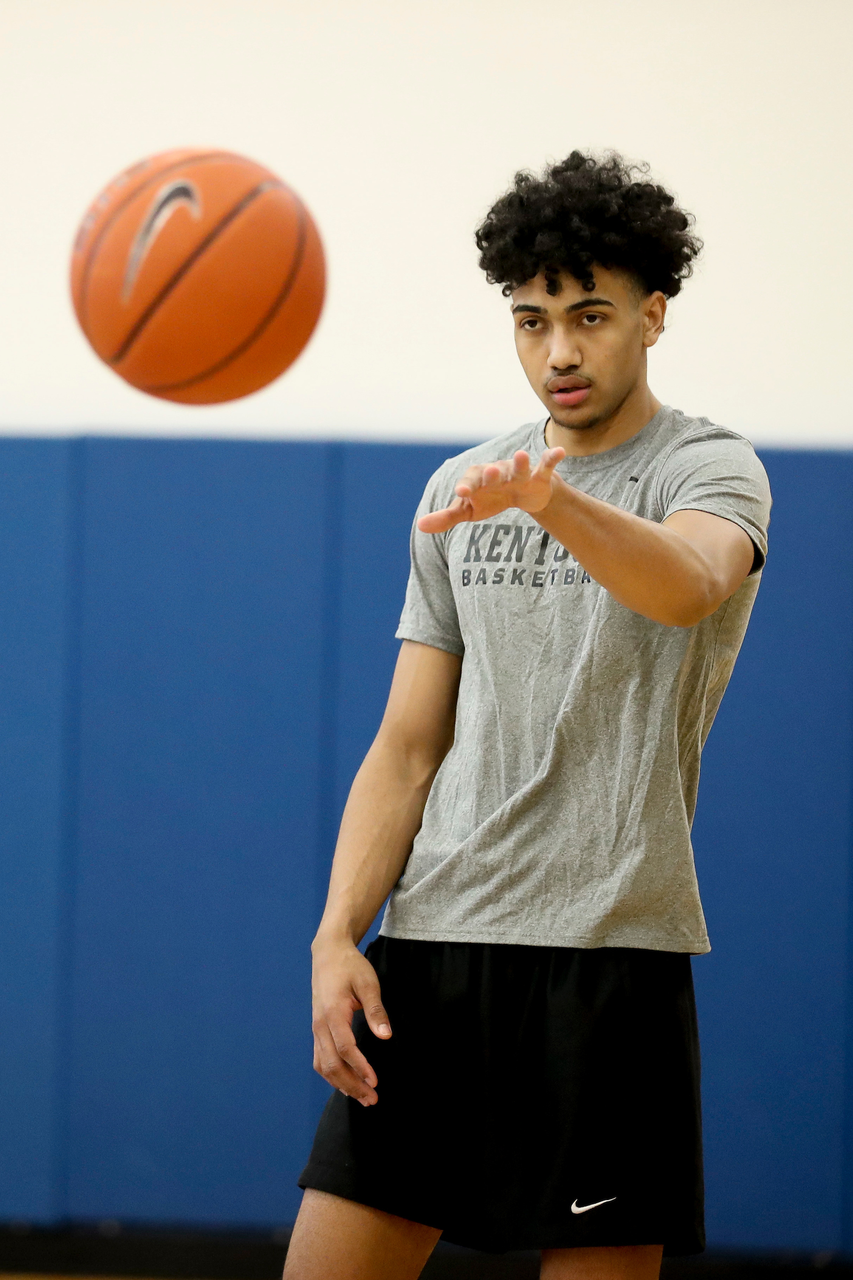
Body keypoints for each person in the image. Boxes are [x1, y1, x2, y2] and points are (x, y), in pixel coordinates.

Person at [284, 151, 771, 1280]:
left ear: (653, 315)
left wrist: (554, 501)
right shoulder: (463, 486)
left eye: (589, 316)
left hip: (609, 960)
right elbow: (408, 747)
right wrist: (335, 936)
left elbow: (686, 586)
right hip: (434, 951)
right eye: (531, 320)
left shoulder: (709, 467)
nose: (558, 351)